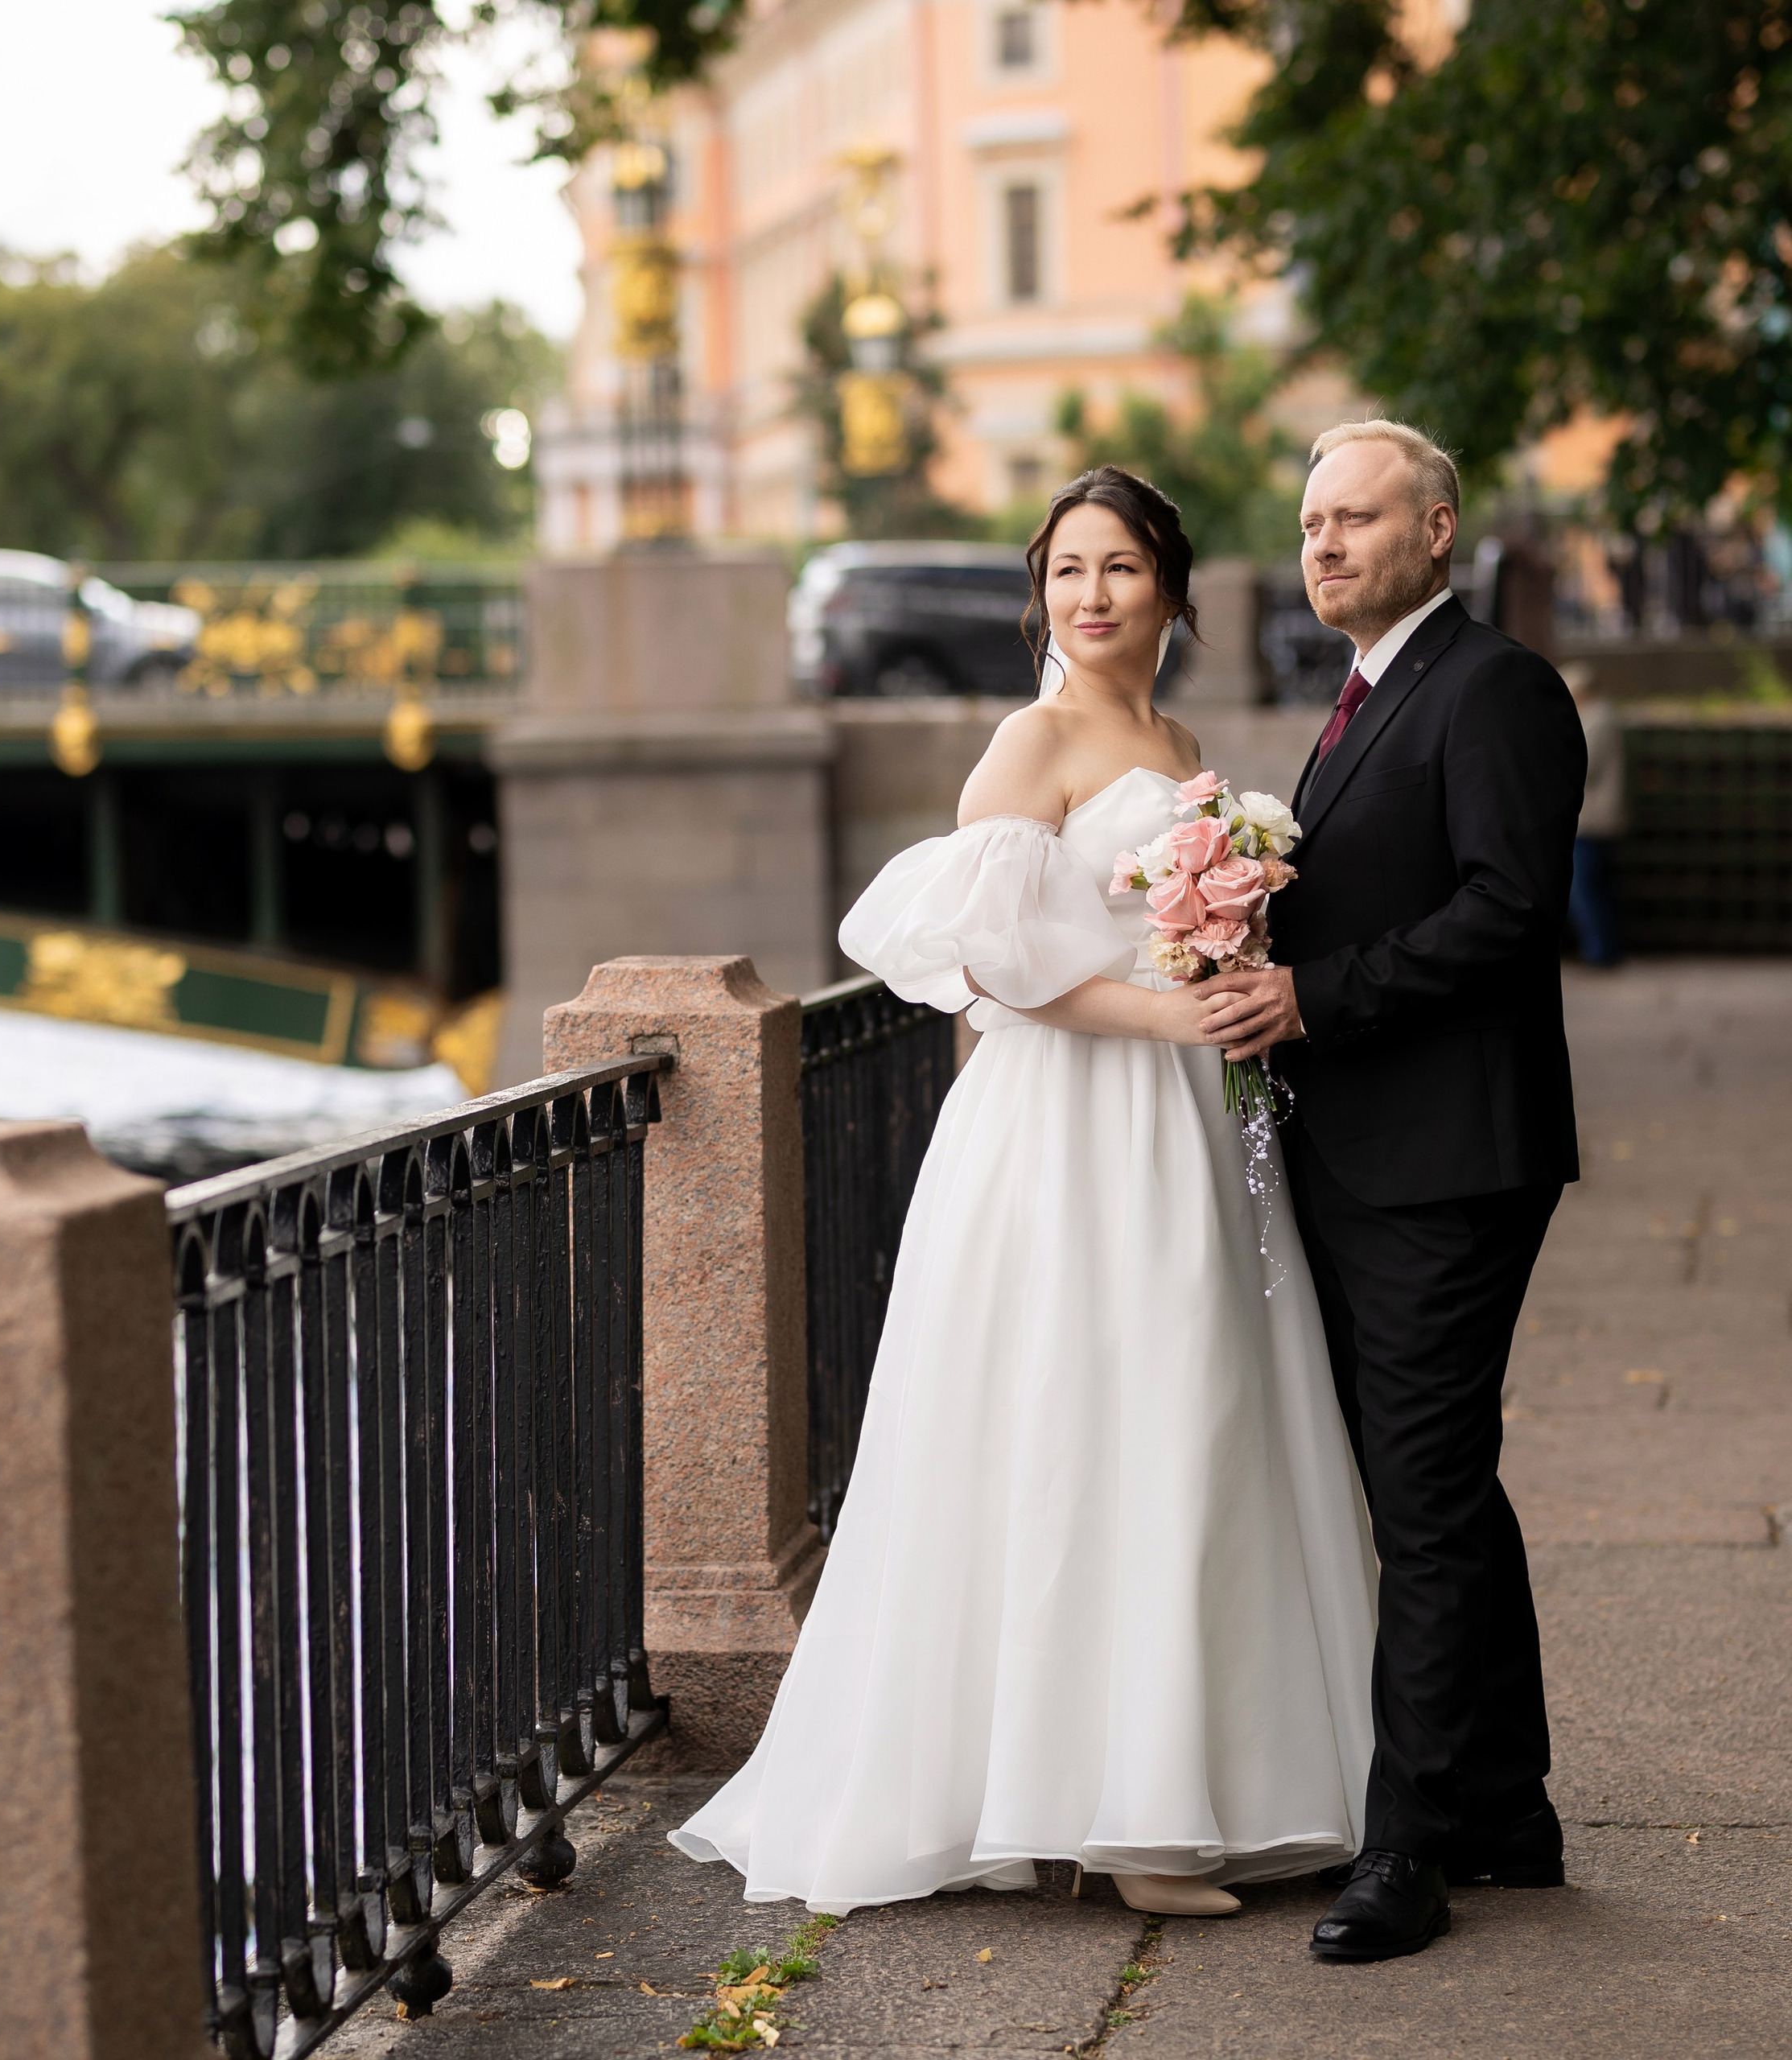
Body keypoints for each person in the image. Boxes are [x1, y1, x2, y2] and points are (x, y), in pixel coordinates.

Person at [669, 467, 1378, 1920]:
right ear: (1039, 594)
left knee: (1195, 1413)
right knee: (1071, 1420)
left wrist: (1217, 976)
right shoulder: (1032, 737)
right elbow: (997, 973)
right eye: (1068, 571)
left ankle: (1170, 1788)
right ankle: (1108, 1814)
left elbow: (1149, 937)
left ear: (1172, 592)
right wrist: (1169, 1016)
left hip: (1184, 1119)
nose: (1095, 595)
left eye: (1122, 569)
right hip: (1067, 1123)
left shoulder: (1179, 741)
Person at [1200, 421, 1585, 1962]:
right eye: (1309, 523)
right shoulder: (1364, 696)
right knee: (1441, 1491)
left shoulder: (1494, 688)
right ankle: (1506, 1808)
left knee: (1419, 1501)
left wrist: (1313, 997)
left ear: (1437, 532)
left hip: (1449, 1160)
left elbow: (1508, 910)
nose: (1326, 544)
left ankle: (1407, 1847)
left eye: (1358, 518)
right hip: (1368, 1152)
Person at [1565, 663, 1626, 966]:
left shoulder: (1597, 719)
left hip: (1592, 822)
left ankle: (1600, 951)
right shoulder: (1598, 716)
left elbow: (1583, 766)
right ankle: (1601, 948)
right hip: (1595, 822)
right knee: (1593, 888)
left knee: (1585, 890)